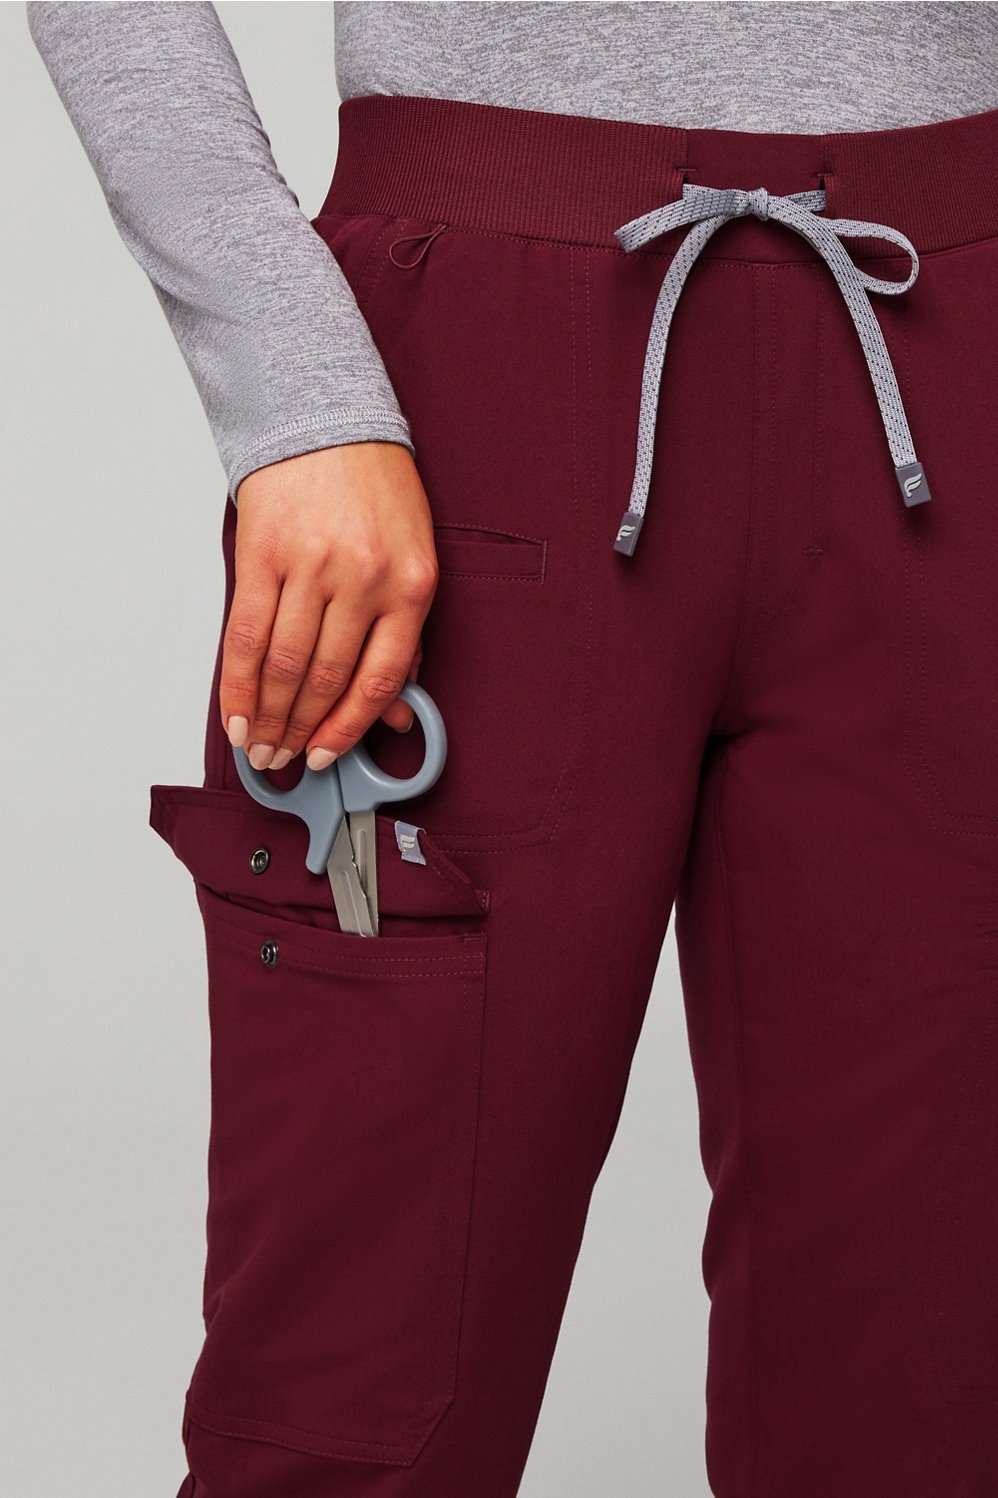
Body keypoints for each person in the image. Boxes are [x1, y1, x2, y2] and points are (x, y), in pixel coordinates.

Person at [27, 4, 998, 1496]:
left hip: (951, 348)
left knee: (924, 1399)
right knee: (357, 1404)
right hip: (472, 386)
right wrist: (295, 396)